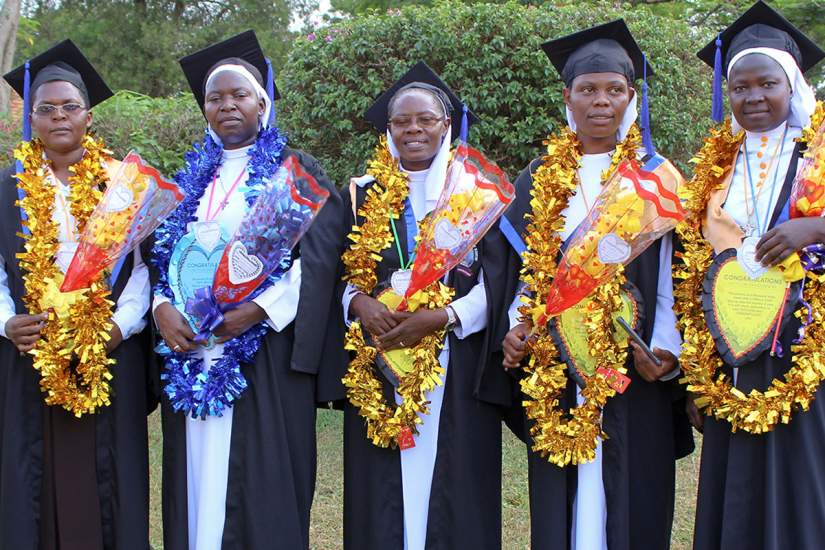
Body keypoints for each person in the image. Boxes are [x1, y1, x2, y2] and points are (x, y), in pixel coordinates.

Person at [496, 20, 693, 550]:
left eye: (614, 90)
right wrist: (517, 327)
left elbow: (674, 279)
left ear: (632, 97)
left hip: (633, 365)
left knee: (635, 496)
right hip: (557, 365)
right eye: (588, 90)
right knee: (563, 497)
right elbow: (525, 273)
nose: (600, 101)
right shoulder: (537, 178)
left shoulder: (659, 180)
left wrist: (668, 351)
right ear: (568, 97)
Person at [149, 31, 343, 550]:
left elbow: (318, 261)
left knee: (262, 480)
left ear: (264, 101)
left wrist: (258, 310)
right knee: (194, 478)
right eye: (215, 98)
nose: (227, 105)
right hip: (192, 353)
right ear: (205, 109)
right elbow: (161, 257)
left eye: (239, 95)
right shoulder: (189, 182)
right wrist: (161, 307)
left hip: (262, 359)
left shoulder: (295, 174)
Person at [336, 61, 512, 550]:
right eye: (401, 122)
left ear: (446, 126)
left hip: (454, 365)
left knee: (457, 485)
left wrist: (447, 316)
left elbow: (499, 280)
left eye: (426, 120)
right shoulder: (362, 194)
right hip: (381, 361)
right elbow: (337, 272)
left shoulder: (477, 195)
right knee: (381, 489)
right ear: (389, 130)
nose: (413, 129)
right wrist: (358, 302)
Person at [681, 2, 825, 549]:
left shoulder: (819, 151)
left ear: (792, 86)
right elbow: (696, 260)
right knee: (733, 476)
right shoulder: (719, 165)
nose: (753, 98)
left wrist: (813, 228)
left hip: (804, 344)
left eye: (767, 84)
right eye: (739, 88)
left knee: (799, 470)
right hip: (732, 341)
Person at [0, 40, 154, 549]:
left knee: (110, 475)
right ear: (31, 118)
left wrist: (119, 326)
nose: (59, 116)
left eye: (70, 107)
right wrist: (6, 320)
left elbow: (143, 269)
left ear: (89, 116)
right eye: (46, 108)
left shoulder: (124, 185)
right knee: (30, 476)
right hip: (29, 356)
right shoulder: (7, 188)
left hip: (107, 356)